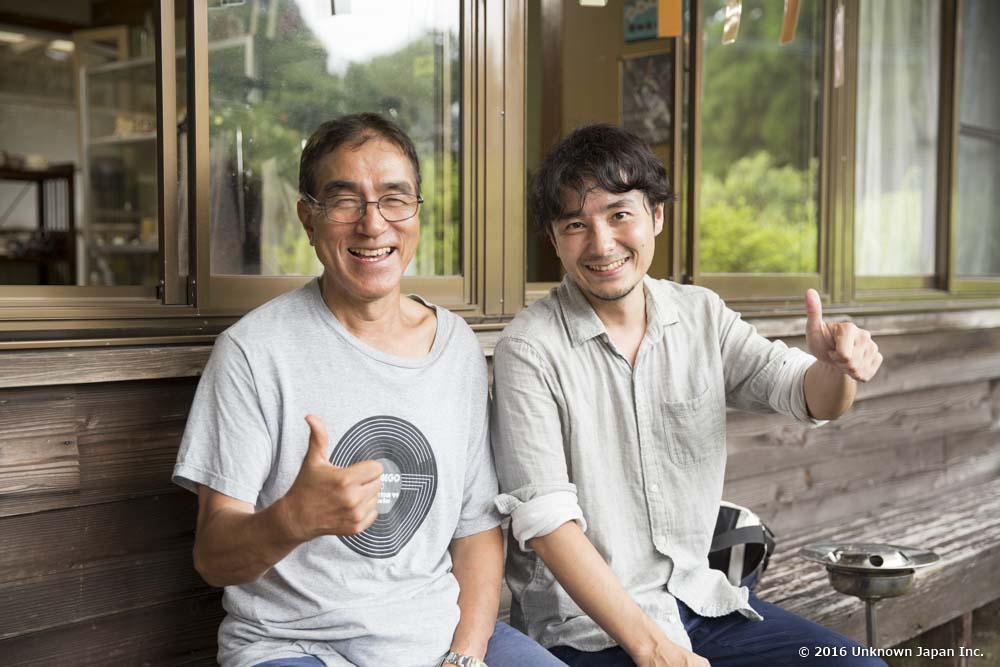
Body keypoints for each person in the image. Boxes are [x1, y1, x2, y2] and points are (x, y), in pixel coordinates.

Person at [173, 113, 563, 667]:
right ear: (308, 219)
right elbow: (213, 558)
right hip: (299, 647)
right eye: (344, 201)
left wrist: (467, 656)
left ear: (417, 213)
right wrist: (292, 519)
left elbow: (476, 530)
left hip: (444, 638)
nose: (373, 224)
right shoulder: (253, 352)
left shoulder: (456, 347)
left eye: (394, 199)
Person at [490, 123, 886, 667]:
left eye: (619, 214)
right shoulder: (529, 349)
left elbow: (808, 396)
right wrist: (652, 647)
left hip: (700, 601)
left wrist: (836, 367)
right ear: (554, 240)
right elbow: (547, 524)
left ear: (656, 216)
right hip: (588, 628)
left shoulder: (699, 313)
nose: (601, 244)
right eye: (576, 225)